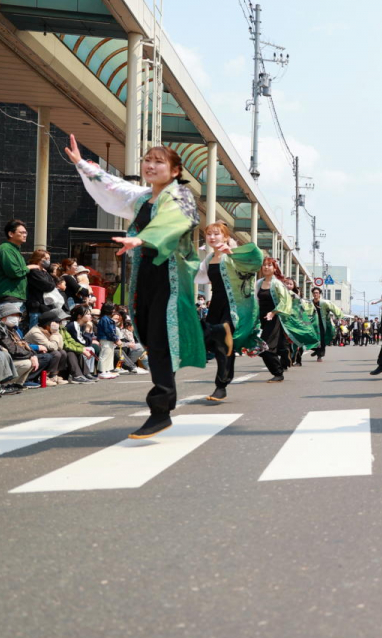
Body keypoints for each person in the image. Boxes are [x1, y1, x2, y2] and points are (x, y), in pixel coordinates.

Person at [67, 135, 206, 438]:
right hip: (144, 275)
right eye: (147, 160)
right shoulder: (143, 198)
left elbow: (176, 220)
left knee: (160, 335)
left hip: (169, 276)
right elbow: (115, 187)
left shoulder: (180, 195)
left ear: (175, 170)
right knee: (150, 337)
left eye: (159, 161)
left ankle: (160, 409)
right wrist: (82, 164)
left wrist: (143, 238)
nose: (151, 165)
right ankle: (163, 405)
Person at [196, 222, 263, 402]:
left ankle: (221, 385)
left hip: (235, 306)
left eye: (216, 234)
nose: (212, 237)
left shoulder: (234, 256)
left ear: (226, 237)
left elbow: (256, 258)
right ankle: (222, 384)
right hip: (216, 304)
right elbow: (194, 276)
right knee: (218, 346)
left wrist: (232, 252)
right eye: (208, 234)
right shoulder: (208, 260)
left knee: (224, 340)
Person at [0, 219, 39, 307]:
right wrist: (30, 267)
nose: (25, 235)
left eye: (26, 233)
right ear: (11, 234)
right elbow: (14, 272)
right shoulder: (6, 249)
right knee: (10, 321)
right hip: (6, 297)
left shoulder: (14, 250)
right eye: (21, 232)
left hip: (13, 296)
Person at [309, 287, 339, 361]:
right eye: (314, 293)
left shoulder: (324, 303)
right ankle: (316, 350)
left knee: (322, 339)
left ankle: (320, 355)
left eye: (317, 293)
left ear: (319, 294)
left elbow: (332, 308)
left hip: (322, 323)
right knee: (311, 338)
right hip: (313, 324)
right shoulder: (310, 302)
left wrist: (338, 316)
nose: (315, 294)